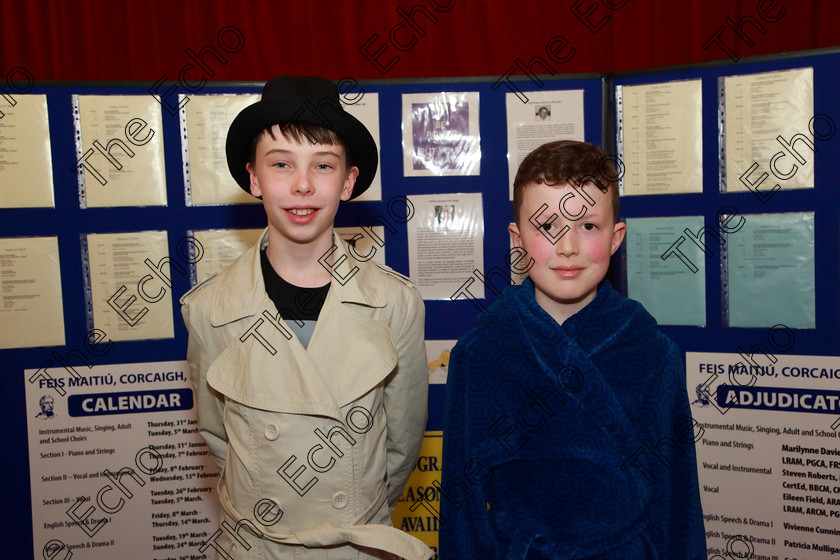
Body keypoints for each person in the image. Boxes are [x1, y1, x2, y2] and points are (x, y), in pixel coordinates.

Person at [180, 76, 431, 560]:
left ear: (349, 181)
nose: (302, 184)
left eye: (323, 165)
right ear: (254, 178)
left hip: (355, 544)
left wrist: (361, 508)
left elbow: (401, 444)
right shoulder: (211, 310)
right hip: (258, 547)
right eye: (281, 164)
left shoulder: (393, 303)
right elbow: (218, 438)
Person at [439, 140, 706, 559]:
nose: (567, 247)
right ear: (517, 237)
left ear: (616, 237)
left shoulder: (654, 353)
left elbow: (678, 501)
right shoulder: (480, 353)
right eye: (546, 226)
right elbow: (461, 504)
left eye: (587, 226)